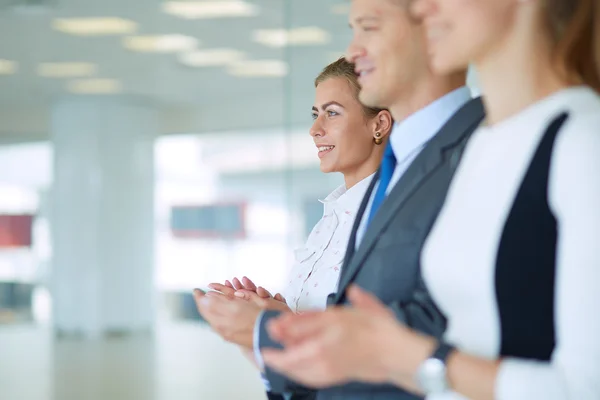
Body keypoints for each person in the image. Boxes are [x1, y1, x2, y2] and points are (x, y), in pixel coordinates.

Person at [260, 0, 600, 399]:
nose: (422, 8)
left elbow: (586, 387)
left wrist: (404, 356)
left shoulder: (582, 142)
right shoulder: (482, 147)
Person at [194, 0, 485, 398]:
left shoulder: (465, 160)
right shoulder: (347, 206)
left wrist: (270, 331)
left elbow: (422, 328)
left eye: (331, 113)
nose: (315, 129)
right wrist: (269, 329)